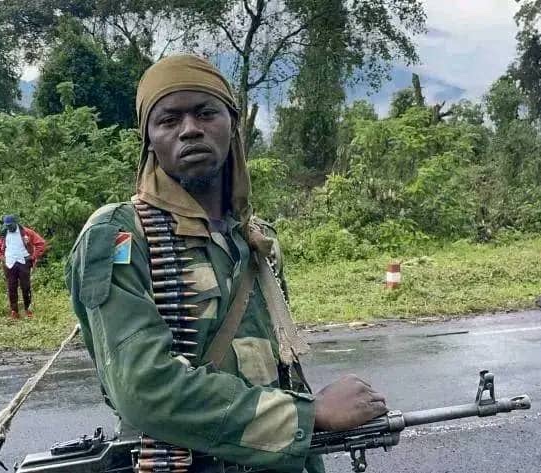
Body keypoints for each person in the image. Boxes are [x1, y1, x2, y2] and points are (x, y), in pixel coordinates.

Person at [66, 55, 388, 473]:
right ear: (148, 138)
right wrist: (308, 417)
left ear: (233, 122)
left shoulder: (256, 238)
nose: (190, 129)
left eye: (205, 113)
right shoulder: (118, 234)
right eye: (168, 119)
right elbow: (144, 391)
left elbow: (285, 372)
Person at [0, 215, 46, 319]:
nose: (9, 227)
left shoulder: (26, 232)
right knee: (11, 287)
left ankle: (28, 309)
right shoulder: (3, 233)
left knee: (26, 286)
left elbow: (41, 243)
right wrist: (2, 258)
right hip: (9, 263)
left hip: (23, 262)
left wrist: (33, 256)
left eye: (10, 225)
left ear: (15, 223)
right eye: (7, 225)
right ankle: (14, 311)